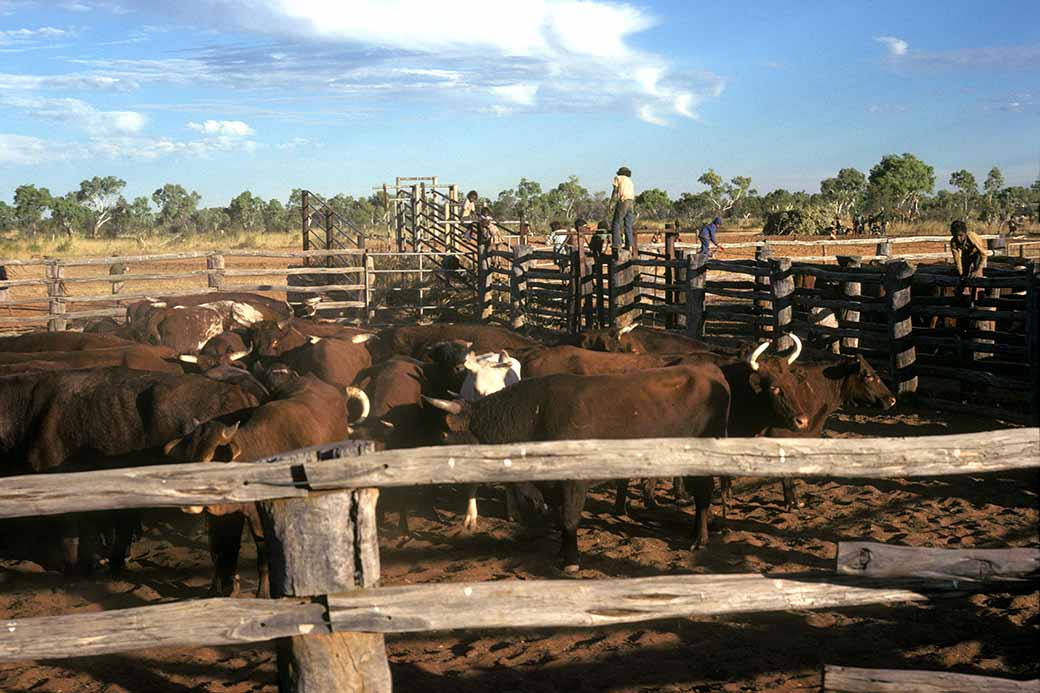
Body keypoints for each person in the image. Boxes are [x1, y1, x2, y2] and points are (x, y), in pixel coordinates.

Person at [610, 166, 635, 250]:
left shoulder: (618, 178)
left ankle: (617, 244)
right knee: (628, 224)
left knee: (616, 223)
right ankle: (629, 244)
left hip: (623, 201)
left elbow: (615, 191)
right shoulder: (630, 181)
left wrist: (611, 203)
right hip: (631, 202)